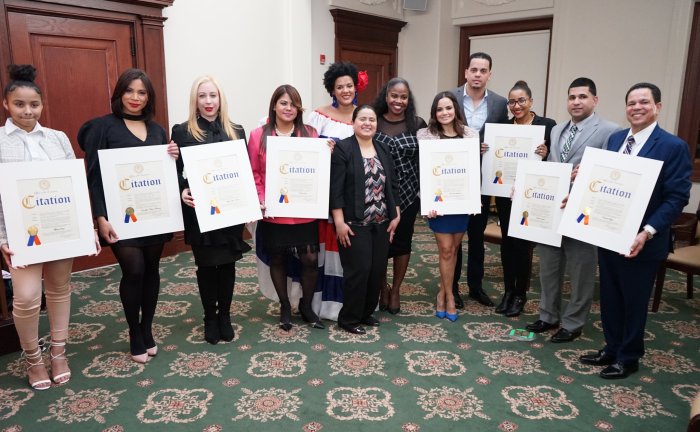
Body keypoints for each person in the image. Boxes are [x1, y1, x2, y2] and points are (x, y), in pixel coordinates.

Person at [580, 82, 691, 378]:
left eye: (644, 102)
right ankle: (611, 348)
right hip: (610, 233)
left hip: (644, 240)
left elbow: (677, 197)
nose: (637, 107)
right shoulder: (617, 139)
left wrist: (648, 230)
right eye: (631, 103)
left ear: (657, 107)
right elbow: (605, 183)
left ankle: (629, 357)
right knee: (611, 294)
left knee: (634, 298)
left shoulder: (673, 146)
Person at [0, 64, 100, 389]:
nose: (27, 111)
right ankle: (32, 358)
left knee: (59, 290)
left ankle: (58, 353)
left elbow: (74, 187)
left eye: (34, 104)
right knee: (27, 297)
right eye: (19, 104)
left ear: (42, 106)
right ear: (6, 104)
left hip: (60, 230)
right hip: (20, 237)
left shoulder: (57, 139)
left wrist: (88, 228)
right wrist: (1, 239)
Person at [79, 68, 179, 363]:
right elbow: (93, 177)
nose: (135, 97)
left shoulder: (159, 130)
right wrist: (100, 218)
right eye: (130, 91)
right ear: (119, 93)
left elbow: (164, 176)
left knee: (151, 271)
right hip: (119, 218)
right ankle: (134, 331)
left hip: (154, 215)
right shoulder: (103, 127)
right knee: (133, 271)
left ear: (149, 97)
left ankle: (147, 328)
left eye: (142, 92)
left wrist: (173, 155)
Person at [525, 77, 619, 343]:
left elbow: (613, 172)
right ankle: (547, 315)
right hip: (552, 208)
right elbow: (553, 165)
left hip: (583, 211)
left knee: (581, 269)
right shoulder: (556, 130)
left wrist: (589, 172)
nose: (576, 102)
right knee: (549, 266)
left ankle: (573, 322)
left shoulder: (610, 131)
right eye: (572, 97)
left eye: (582, 97)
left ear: (595, 100)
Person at [172, 76, 251, 344]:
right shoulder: (181, 132)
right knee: (206, 266)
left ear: (221, 99)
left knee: (228, 265)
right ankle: (210, 317)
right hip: (201, 214)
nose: (208, 101)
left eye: (213, 95)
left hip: (230, 211)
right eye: (203, 96)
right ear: (195, 100)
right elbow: (175, 172)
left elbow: (244, 172)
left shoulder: (236, 130)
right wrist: (181, 190)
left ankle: (225, 316)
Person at [248, 84, 325, 331]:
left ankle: (306, 306)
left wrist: (327, 152)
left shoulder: (311, 134)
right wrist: (261, 199)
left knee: (310, 259)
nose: (288, 108)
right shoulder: (258, 135)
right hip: (273, 211)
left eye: (293, 104)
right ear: (274, 106)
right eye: (283, 103)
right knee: (278, 258)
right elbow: (254, 173)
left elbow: (318, 172)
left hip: (304, 211)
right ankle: (284, 306)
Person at [331, 105, 400, 334]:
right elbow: (336, 190)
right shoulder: (343, 148)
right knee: (358, 271)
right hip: (353, 224)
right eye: (363, 119)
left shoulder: (382, 147)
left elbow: (392, 184)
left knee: (376, 270)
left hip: (381, 223)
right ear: (354, 122)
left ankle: (366, 313)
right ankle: (349, 319)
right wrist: (339, 222)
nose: (367, 123)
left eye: (371, 119)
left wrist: (396, 214)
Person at [308, 62, 368, 321]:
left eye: (349, 86)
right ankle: (320, 304)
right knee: (323, 250)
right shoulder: (318, 116)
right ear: (332, 89)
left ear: (356, 87)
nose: (345, 90)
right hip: (323, 194)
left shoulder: (364, 116)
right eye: (339, 86)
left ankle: (348, 304)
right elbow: (305, 150)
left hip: (353, 195)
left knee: (349, 249)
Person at [492, 80, 556, 317]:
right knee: (508, 244)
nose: (516, 106)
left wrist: (547, 154)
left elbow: (556, 161)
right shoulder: (504, 128)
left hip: (532, 195)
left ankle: (520, 293)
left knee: (524, 245)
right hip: (507, 195)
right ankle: (508, 291)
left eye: (521, 101)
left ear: (531, 102)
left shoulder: (547, 126)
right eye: (512, 101)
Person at [451, 52, 509, 308]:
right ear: (466, 72)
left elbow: (504, 137)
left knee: (477, 235)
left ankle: (475, 285)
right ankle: (451, 287)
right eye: (473, 69)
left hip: (484, 180)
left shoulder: (499, 103)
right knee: (454, 235)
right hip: (455, 178)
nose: (477, 74)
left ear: (489, 74)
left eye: (483, 70)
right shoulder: (450, 98)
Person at [417, 92, 479, 322]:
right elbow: (423, 172)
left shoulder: (470, 134)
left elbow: (473, 169)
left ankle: (442, 292)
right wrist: (426, 202)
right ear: (434, 113)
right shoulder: (425, 135)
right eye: (440, 109)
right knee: (445, 250)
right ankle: (449, 297)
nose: (444, 113)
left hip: (462, 202)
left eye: (448, 108)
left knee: (453, 249)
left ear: (455, 110)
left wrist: (474, 198)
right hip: (439, 205)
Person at [373, 78, 427, 314]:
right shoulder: (374, 121)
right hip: (378, 193)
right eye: (394, 95)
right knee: (380, 243)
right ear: (386, 96)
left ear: (408, 99)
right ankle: (382, 287)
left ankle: (395, 289)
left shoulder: (417, 124)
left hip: (408, 193)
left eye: (403, 97)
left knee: (403, 242)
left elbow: (431, 156)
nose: (398, 101)